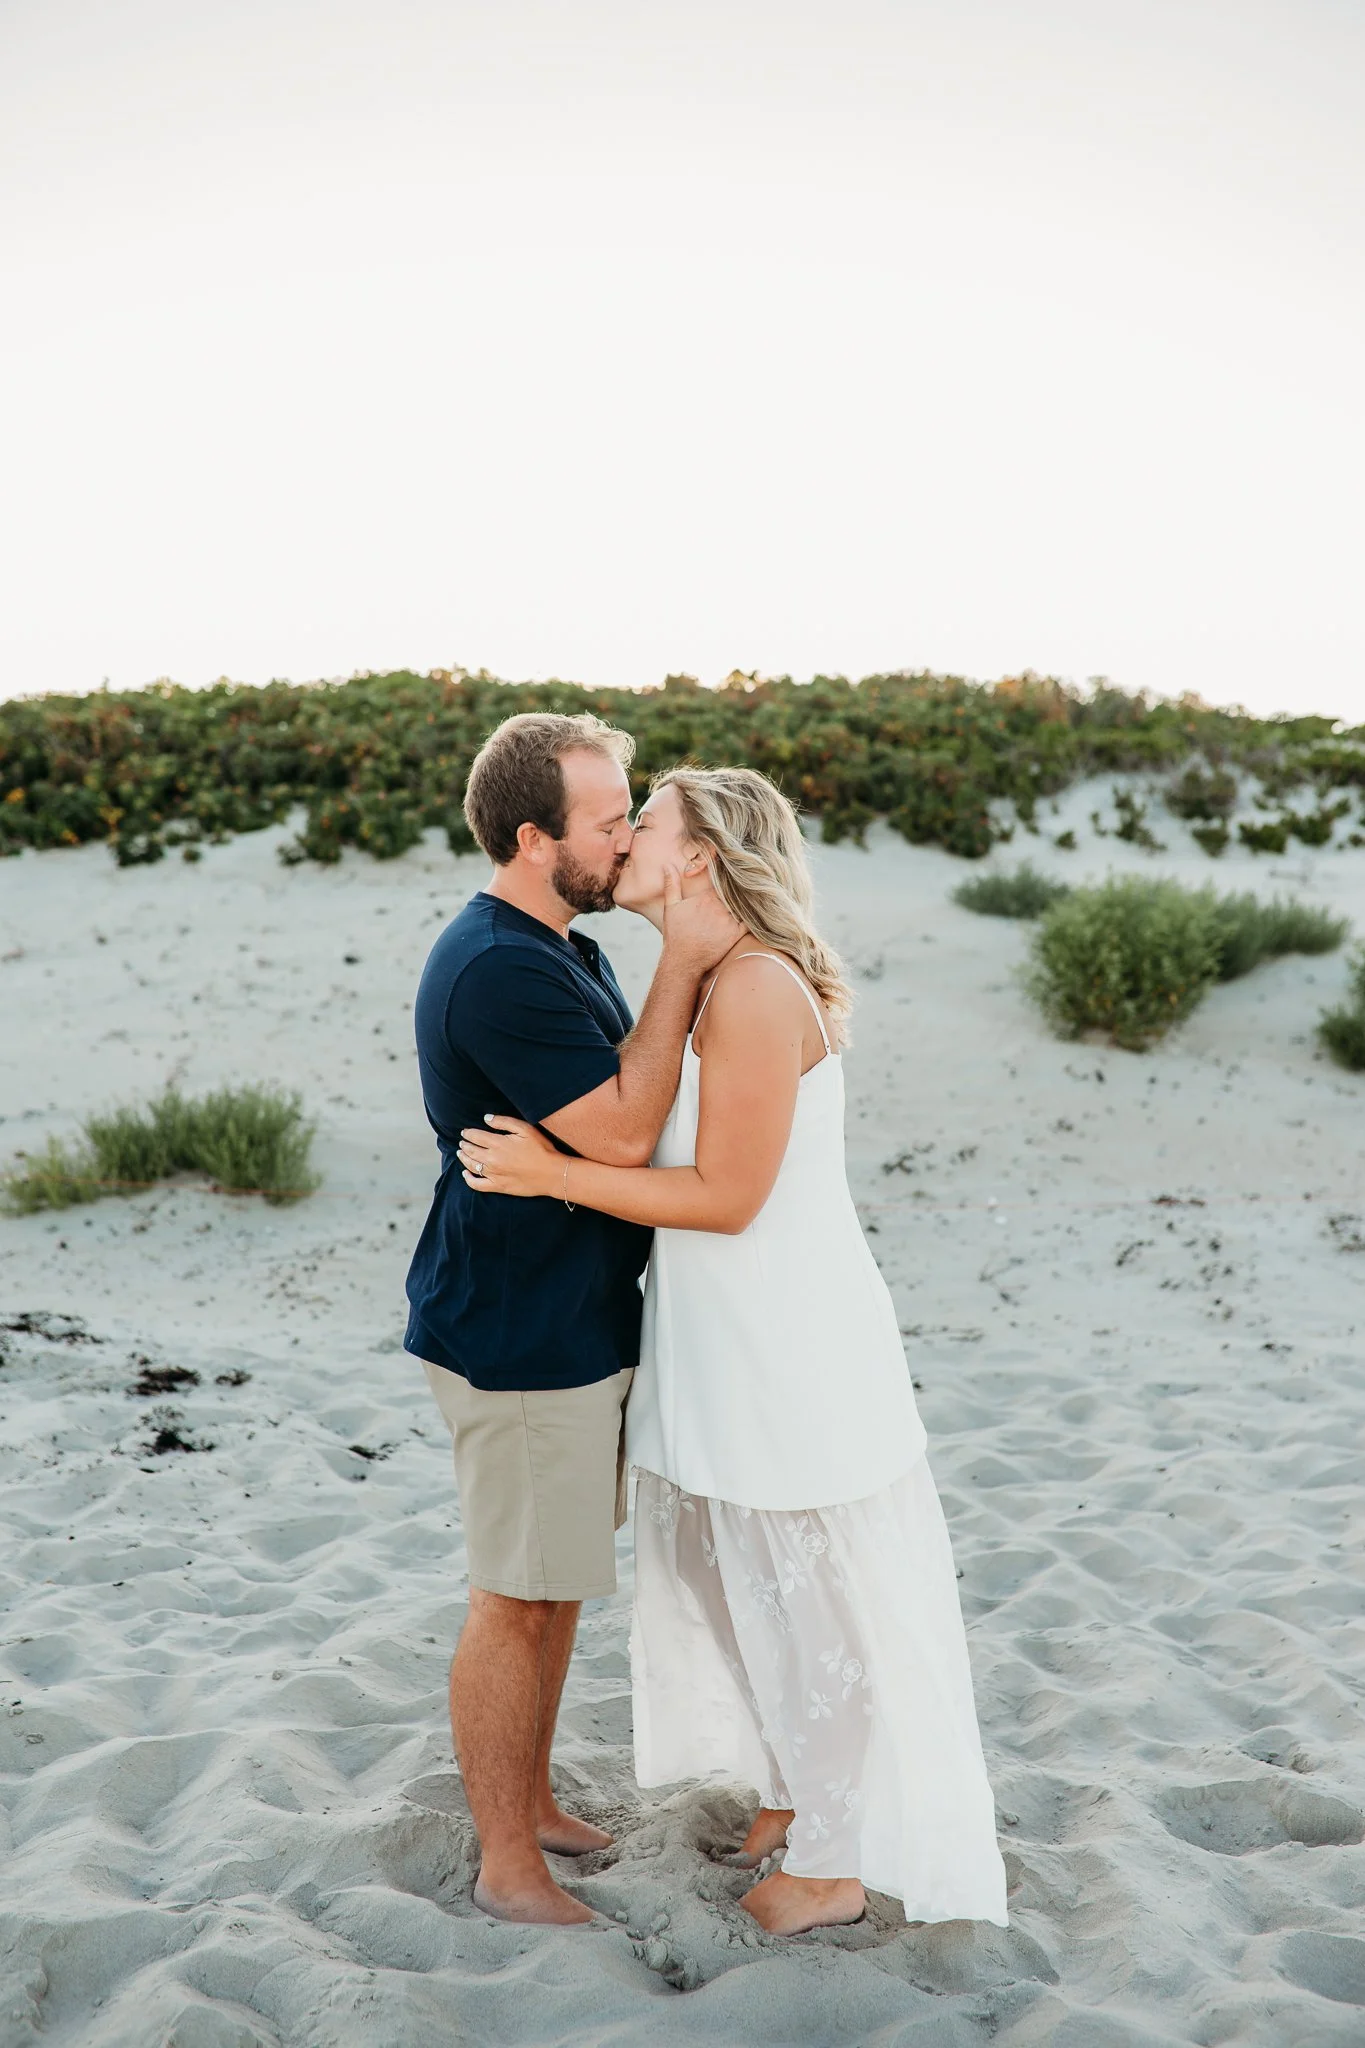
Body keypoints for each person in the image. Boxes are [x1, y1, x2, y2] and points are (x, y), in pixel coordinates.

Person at [457, 765, 1009, 1937]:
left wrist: (551, 1171)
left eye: (641, 821)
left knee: (803, 1597)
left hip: (784, 1340)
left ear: (700, 855)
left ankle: (834, 1859)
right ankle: (797, 1795)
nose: (623, 836)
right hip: (716, 1336)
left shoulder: (754, 986)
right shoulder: (705, 980)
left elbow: (730, 1193)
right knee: (728, 1576)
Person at [405, 713, 739, 1929]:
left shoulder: (556, 941)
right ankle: (508, 1860)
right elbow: (621, 1131)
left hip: (570, 1321)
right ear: (536, 836)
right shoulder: (499, 964)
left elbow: (615, 1113)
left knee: (551, 1588)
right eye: (608, 819)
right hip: (519, 1333)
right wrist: (688, 961)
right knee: (515, 1593)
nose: (627, 831)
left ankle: (533, 1805)